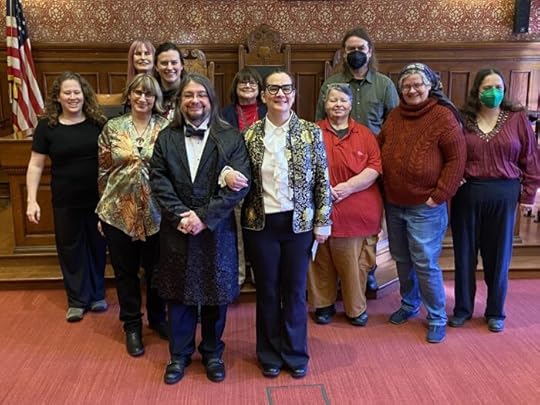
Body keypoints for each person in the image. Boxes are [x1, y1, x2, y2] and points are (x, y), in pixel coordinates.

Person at [149, 73, 250, 385]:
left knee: (215, 293)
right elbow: (158, 180)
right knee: (178, 294)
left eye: (201, 95)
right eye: (188, 95)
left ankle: (212, 352)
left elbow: (240, 185)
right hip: (176, 228)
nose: (195, 101)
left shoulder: (231, 137)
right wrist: (181, 215)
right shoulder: (166, 138)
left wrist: (203, 217)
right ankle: (179, 355)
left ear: (211, 100)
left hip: (216, 228)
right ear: (180, 102)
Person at [241, 69, 332, 378]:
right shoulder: (251, 134)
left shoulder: (311, 132)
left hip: (300, 225)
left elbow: (322, 179)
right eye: (274, 89)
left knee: (294, 290)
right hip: (261, 225)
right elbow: (242, 180)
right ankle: (268, 352)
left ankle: (294, 352)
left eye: (286, 89)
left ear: (294, 94)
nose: (280, 94)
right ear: (264, 95)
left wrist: (323, 220)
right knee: (267, 290)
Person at [378, 63, 466, 344]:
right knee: (401, 259)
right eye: (406, 86)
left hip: (425, 206)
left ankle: (437, 316)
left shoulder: (443, 117)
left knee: (425, 262)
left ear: (430, 87)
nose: (412, 90)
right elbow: (380, 150)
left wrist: (438, 195)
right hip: (395, 203)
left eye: (417, 84)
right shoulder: (394, 117)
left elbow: (456, 159)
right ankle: (408, 304)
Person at [449, 68, 540, 333]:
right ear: (477, 91)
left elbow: (531, 158)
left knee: (498, 256)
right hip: (468, 195)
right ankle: (463, 308)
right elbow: (452, 155)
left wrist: (528, 195)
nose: (493, 92)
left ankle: (495, 311)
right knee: (464, 254)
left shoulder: (516, 119)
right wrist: (455, 180)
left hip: (504, 194)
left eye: (498, 86)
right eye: (487, 87)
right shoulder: (462, 120)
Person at [316, 27, 399, 292]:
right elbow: (319, 123)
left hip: (373, 164)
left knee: (371, 220)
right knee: (336, 218)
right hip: (337, 163)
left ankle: (367, 268)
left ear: (369, 51)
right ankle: (339, 275)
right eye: (350, 49)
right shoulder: (331, 85)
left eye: (360, 48)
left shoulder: (384, 84)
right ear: (344, 53)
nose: (355, 53)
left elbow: (395, 125)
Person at [96, 73, 169, 357]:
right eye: (137, 93)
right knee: (125, 272)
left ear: (156, 99)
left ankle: (158, 317)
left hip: (157, 213)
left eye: (149, 94)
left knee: (156, 271)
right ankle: (131, 325)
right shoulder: (112, 128)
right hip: (118, 212)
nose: (142, 98)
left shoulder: (166, 128)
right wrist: (102, 211)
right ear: (129, 96)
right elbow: (103, 171)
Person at [26, 71, 108, 322]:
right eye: (67, 93)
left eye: (77, 92)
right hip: (64, 199)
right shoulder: (46, 127)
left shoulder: (98, 123)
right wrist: (31, 199)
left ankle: (96, 295)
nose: (73, 97)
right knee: (70, 248)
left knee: (97, 245)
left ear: (84, 96)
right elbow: (35, 165)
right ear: (58, 97)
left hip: (97, 198)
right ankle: (76, 300)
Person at [307, 83, 383, 327]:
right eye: (332, 100)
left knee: (353, 265)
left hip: (356, 210)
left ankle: (355, 308)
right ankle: (323, 304)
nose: (337, 104)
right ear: (325, 105)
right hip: (320, 206)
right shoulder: (312, 131)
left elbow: (375, 166)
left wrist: (348, 187)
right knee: (319, 261)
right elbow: (303, 165)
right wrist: (323, 187)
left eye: (342, 100)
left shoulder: (365, 134)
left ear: (350, 104)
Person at [221, 67, 267, 287]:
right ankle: (238, 276)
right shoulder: (224, 114)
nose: (248, 87)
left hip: (265, 182)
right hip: (236, 180)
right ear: (235, 88)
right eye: (243, 83)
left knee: (262, 233)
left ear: (260, 89)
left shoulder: (271, 110)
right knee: (237, 231)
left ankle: (261, 275)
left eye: (252, 84)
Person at [154, 42, 184, 120]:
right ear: (156, 67)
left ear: (182, 65)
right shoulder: (151, 92)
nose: (169, 68)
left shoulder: (191, 91)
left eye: (174, 63)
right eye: (164, 63)